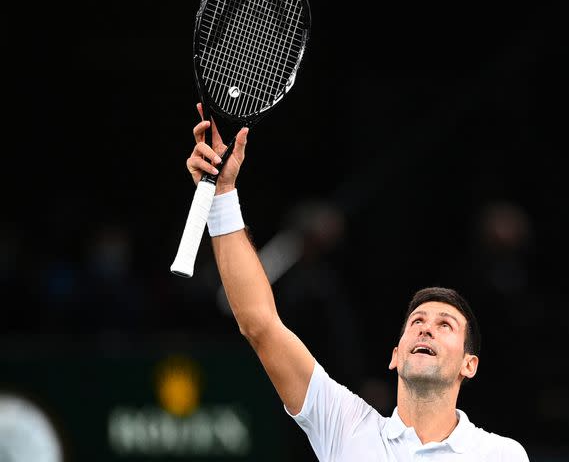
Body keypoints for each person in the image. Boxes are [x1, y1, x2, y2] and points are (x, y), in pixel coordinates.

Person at [184, 104, 529, 460]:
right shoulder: (345, 425)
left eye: (446, 325)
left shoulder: (500, 454)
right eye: (417, 322)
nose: (427, 330)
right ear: (396, 356)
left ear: (468, 365)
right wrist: (223, 193)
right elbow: (260, 324)